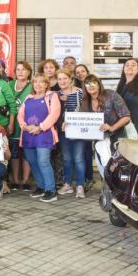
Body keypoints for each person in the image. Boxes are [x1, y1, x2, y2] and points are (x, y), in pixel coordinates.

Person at [17, 73, 61, 202]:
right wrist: (23, 125)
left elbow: (54, 114)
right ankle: (41, 186)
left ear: (47, 84)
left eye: (41, 82)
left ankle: (51, 190)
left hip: (44, 134)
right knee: (32, 161)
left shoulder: (52, 96)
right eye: (35, 82)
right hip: (28, 135)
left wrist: (40, 127)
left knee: (43, 161)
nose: (38, 84)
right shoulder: (28, 98)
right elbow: (20, 114)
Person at [56, 69, 86, 198]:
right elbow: (55, 114)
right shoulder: (56, 94)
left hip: (78, 130)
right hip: (64, 131)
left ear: (71, 79)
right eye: (60, 79)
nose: (62, 81)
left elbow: (85, 110)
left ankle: (80, 186)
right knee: (67, 158)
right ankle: (67, 184)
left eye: (65, 78)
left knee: (79, 158)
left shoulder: (80, 92)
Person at [82, 74, 131, 147]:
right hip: (99, 140)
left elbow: (126, 117)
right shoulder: (85, 101)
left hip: (116, 139)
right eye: (87, 84)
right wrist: (69, 124)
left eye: (93, 83)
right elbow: (79, 119)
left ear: (99, 84)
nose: (90, 86)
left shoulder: (111, 94)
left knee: (116, 158)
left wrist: (112, 127)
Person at [8, 61, 33, 191]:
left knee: (26, 154)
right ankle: (16, 180)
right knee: (14, 153)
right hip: (13, 124)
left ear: (29, 72)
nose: (21, 72)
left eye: (24, 69)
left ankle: (26, 180)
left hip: (28, 125)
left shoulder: (32, 86)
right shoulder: (9, 84)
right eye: (18, 69)